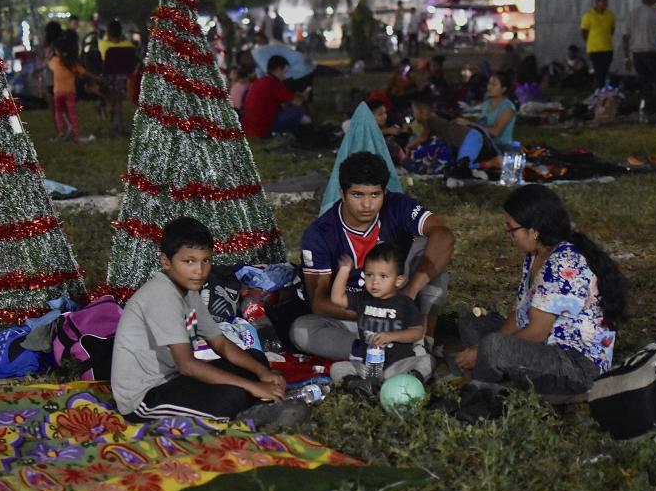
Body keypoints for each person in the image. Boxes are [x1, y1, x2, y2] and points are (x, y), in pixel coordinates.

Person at [110, 216, 307, 426]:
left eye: (206, 260)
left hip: (175, 379)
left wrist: (262, 373)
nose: (200, 271)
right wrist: (253, 386)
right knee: (232, 396)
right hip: (144, 396)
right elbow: (187, 365)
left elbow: (220, 343)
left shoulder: (188, 290)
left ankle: (258, 399)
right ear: (166, 261)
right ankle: (251, 414)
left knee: (255, 359)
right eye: (189, 261)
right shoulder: (162, 295)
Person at [455, 184, 626, 394]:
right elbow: (521, 315)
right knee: (472, 323)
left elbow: (537, 331)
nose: (508, 235)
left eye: (511, 229)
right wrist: (485, 347)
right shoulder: (535, 255)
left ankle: (485, 388)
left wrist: (482, 351)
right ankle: (494, 370)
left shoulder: (563, 263)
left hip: (576, 366)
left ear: (533, 230)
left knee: (493, 347)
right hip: (546, 347)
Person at [292, 151, 455, 355]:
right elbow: (320, 302)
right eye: (357, 195)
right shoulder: (320, 233)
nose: (367, 205)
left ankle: (424, 337)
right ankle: (374, 353)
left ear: (384, 193)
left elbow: (444, 235)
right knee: (301, 330)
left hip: (403, 305)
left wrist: (408, 294)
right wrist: (375, 313)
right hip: (354, 314)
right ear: (342, 193)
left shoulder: (397, 206)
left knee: (430, 246)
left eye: (375, 195)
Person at [328, 242, 430, 383]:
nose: (375, 282)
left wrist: (392, 336)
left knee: (426, 362)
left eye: (383, 276)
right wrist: (344, 271)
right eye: (369, 275)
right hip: (367, 367)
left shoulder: (405, 303)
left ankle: (408, 382)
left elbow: (417, 332)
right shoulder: (362, 298)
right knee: (338, 368)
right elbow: (337, 298)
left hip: (397, 366)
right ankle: (359, 387)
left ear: (398, 280)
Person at [406, 99, 499, 172]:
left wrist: (408, 147)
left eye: (414, 111)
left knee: (463, 168)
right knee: (460, 167)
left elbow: (423, 137)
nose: (413, 114)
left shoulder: (429, 121)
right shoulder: (434, 118)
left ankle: (492, 163)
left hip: (468, 139)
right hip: (469, 137)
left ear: (421, 112)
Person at [241, 55, 308, 138]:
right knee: (299, 110)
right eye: (284, 71)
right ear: (278, 69)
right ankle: (286, 136)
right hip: (261, 129)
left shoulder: (260, 81)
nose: (285, 74)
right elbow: (297, 102)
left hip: (248, 128)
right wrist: (304, 97)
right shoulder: (273, 83)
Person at [48, 36, 95, 143]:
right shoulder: (72, 63)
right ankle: (75, 134)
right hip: (70, 92)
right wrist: (97, 78)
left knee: (58, 112)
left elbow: (48, 63)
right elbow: (84, 72)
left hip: (58, 92)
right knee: (72, 113)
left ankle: (61, 132)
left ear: (57, 51)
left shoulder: (55, 61)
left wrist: (52, 54)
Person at [580, 0, 616, 88]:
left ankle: (603, 89)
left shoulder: (610, 15)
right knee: (599, 72)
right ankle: (600, 90)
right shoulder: (588, 15)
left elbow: (612, 29)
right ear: (597, 2)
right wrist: (590, 42)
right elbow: (584, 31)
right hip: (595, 49)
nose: (605, 3)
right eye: (603, 1)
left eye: (606, 1)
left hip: (608, 48)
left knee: (604, 71)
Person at [473, 71, 516, 147]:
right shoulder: (486, 104)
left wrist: (471, 125)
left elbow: (495, 132)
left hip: (502, 147)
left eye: (494, 85)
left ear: (503, 89)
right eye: (489, 83)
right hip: (487, 145)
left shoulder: (507, 107)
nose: (489, 87)